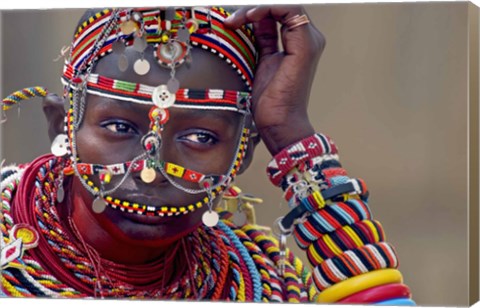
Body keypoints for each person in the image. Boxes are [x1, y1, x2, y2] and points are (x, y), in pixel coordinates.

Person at [0, 5, 415, 304]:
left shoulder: (265, 281)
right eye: (119, 127)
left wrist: (289, 134)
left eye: (200, 137)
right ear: (61, 124)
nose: (151, 170)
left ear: (244, 150)